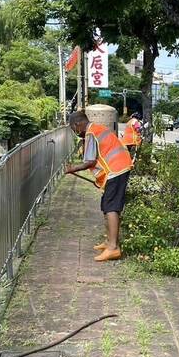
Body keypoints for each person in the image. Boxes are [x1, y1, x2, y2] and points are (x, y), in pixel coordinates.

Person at [65, 111, 133, 262]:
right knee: (106, 205)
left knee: (111, 207)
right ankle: (109, 241)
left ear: (78, 124)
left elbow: (90, 161)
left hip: (116, 169)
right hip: (118, 167)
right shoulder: (96, 129)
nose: (75, 132)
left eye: (73, 129)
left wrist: (72, 168)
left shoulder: (91, 134)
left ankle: (113, 248)